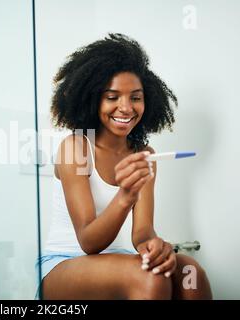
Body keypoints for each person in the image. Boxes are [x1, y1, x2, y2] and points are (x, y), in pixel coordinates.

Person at [36, 33, 212, 300]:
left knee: (190, 272)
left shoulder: (145, 155)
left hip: (123, 259)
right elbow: (89, 241)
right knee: (150, 278)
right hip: (65, 262)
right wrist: (126, 195)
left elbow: (141, 232)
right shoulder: (76, 148)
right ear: (93, 99)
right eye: (112, 96)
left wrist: (154, 246)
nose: (126, 108)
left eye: (135, 97)